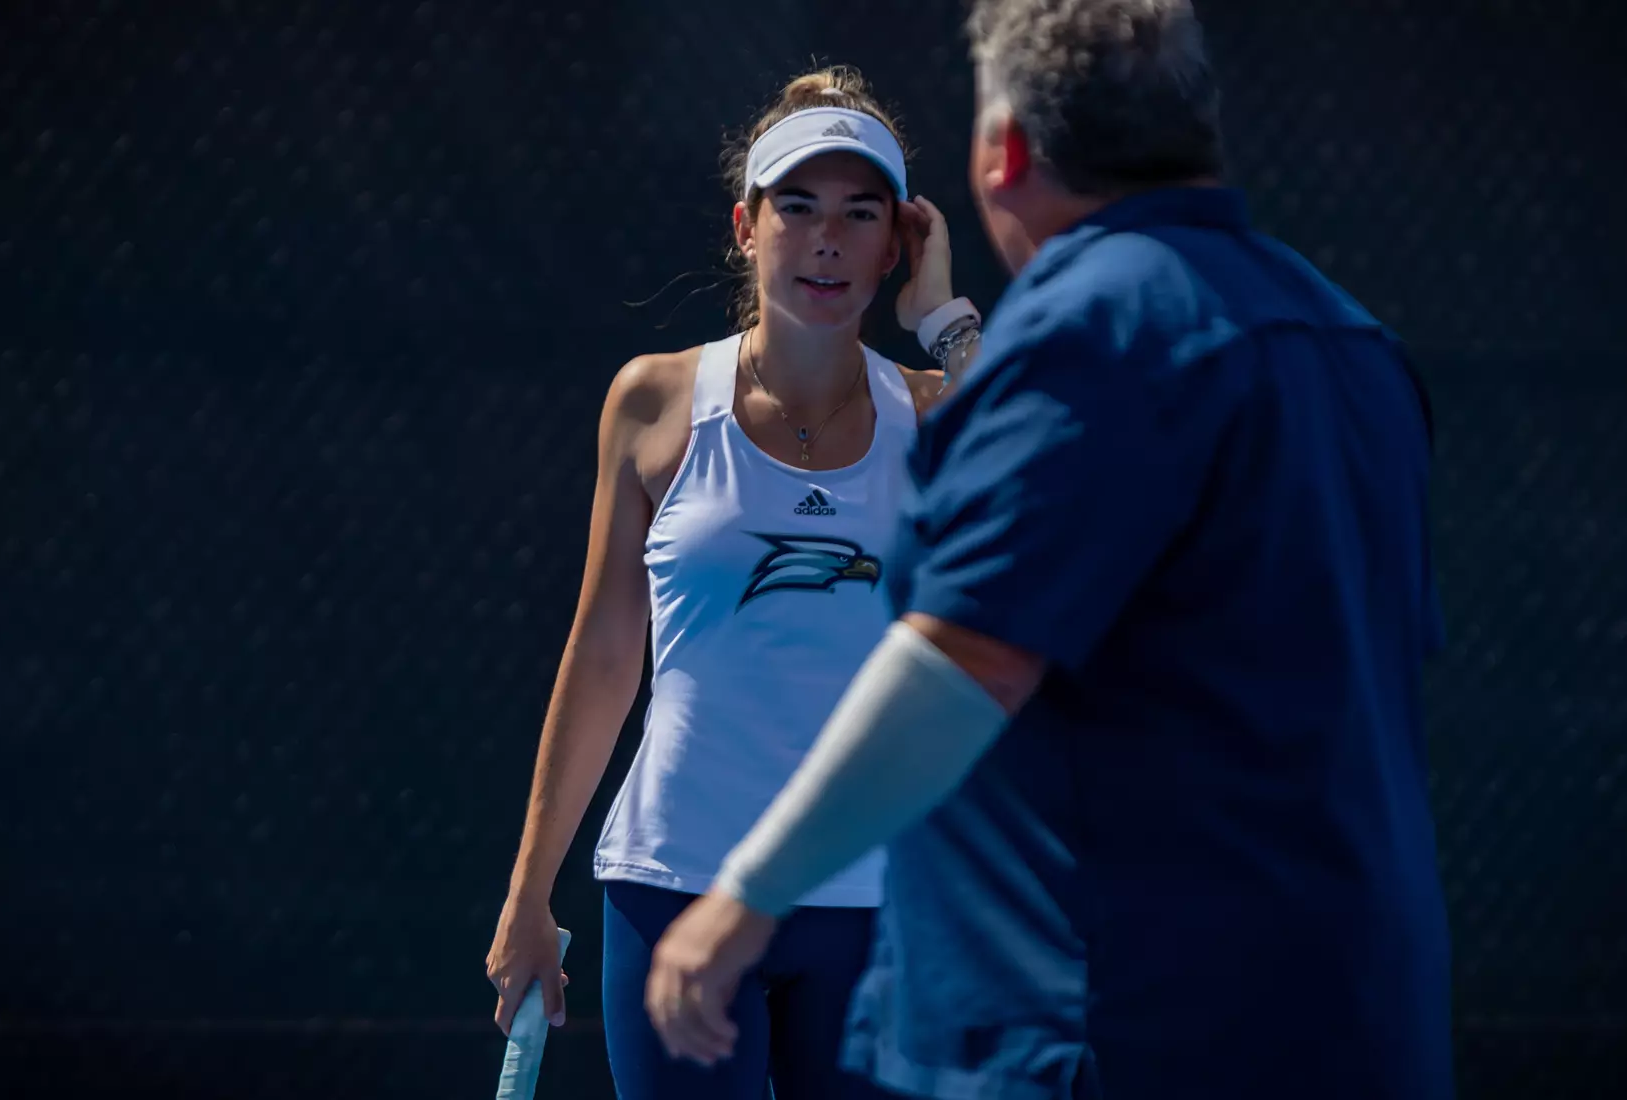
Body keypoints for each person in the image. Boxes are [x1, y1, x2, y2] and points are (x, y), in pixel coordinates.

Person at [643, 3, 1456, 1100]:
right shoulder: (1358, 348)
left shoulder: (1094, 335)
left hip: (1121, 1029)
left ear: (1004, 150)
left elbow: (960, 664)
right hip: (1367, 1017)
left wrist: (747, 895)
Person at [484, 65, 985, 1099]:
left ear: (898, 244)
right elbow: (605, 653)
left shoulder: (943, 412)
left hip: (879, 901)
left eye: (860, 214)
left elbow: (1051, 472)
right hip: (671, 888)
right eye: (796, 208)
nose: (828, 240)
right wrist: (530, 892)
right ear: (746, 227)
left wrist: (948, 322)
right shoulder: (652, 401)